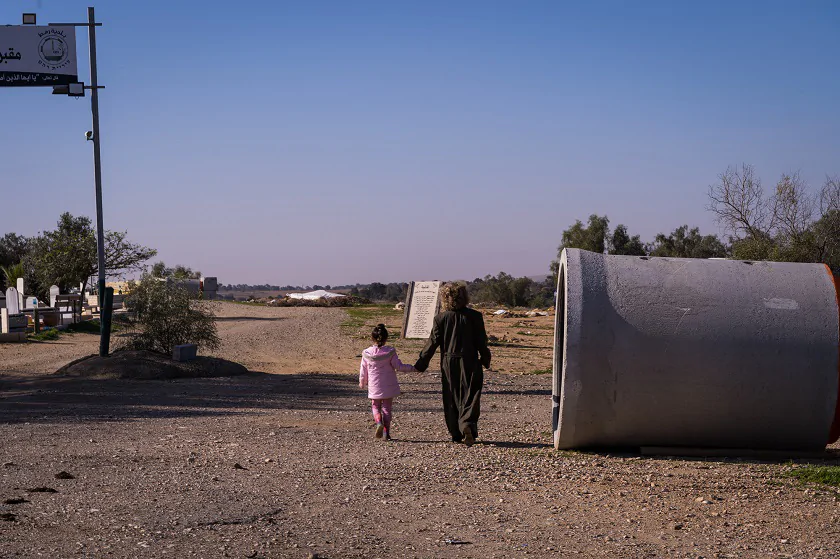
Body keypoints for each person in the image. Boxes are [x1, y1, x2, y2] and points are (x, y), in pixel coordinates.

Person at [414, 282, 491, 446]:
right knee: (471, 395)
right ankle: (467, 424)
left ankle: (456, 433)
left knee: (451, 396)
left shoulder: (440, 319)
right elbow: (481, 342)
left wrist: (421, 363)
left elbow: (433, 342)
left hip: (449, 362)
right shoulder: (475, 316)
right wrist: (485, 359)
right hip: (470, 360)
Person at [359, 324, 416, 441]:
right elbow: (399, 366)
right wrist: (413, 368)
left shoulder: (366, 353)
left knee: (375, 406)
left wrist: (362, 382)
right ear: (386, 338)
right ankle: (386, 432)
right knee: (387, 408)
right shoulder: (390, 352)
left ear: (372, 338)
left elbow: (363, 370)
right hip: (389, 386)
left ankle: (378, 422)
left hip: (374, 385)